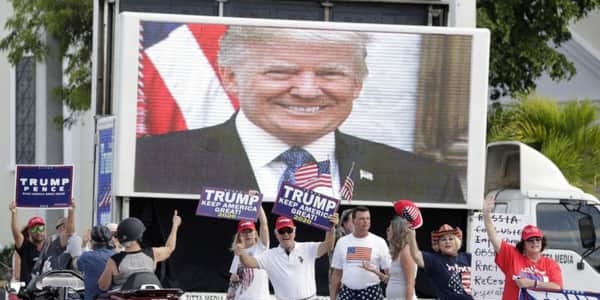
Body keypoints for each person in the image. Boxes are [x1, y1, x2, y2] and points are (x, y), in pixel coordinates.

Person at [135, 26, 464, 204]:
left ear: (358, 84)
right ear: (231, 77)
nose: (307, 91)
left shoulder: (430, 184)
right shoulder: (151, 164)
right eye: (280, 72)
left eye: (330, 74)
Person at [75, 211, 182, 300]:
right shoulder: (152, 254)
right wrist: (175, 225)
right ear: (139, 236)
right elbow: (170, 248)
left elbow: (102, 286)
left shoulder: (115, 260)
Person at [53, 225, 115, 300]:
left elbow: (76, 263)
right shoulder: (116, 256)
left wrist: (83, 244)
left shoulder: (87, 257)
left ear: (92, 242)